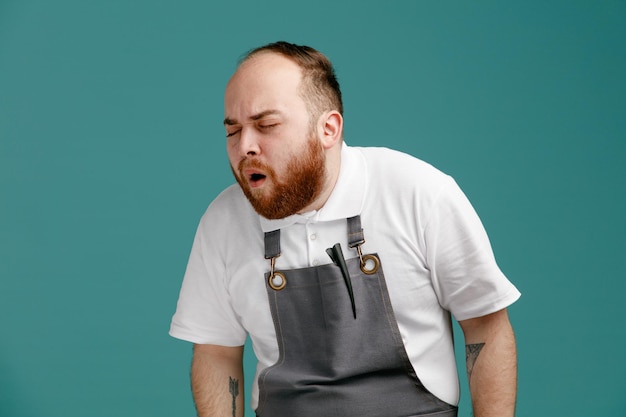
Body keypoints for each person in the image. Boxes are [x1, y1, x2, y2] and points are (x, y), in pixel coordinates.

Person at [170, 41, 521, 417]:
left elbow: (486, 325)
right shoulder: (223, 221)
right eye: (232, 131)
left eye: (266, 125)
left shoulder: (419, 193)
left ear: (329, 128)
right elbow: (216, 353)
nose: (245, 147)